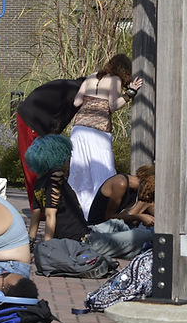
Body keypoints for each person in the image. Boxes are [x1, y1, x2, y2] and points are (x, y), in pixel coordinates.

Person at [26, 135, 153, 260]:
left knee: (117, 224)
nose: (69, 161)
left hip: (87, 231)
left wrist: (30, 243)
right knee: (147, 235)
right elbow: (50, 215)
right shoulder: (56, 178)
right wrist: (48, 248)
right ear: (59, 157)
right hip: (83, 242)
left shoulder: (40, 180)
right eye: (68, 157)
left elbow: (36, 214)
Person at [68, 55, 143, 218]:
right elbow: (113, 105)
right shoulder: (115, 79)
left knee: (79, 173)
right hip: (98, 131)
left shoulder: (90, 77)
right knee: (102, 171)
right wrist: (130, 93)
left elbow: (76, 103)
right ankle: (100, 215)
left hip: (79, 129)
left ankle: (76, 214)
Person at [15, 76, 86, 241]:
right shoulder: (75, 92)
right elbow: (50, 215)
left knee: (36, 178)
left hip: (33, 120)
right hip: (34, 122)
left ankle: (36, 224)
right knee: (35, 171)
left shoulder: (69, 86)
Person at [87, 164, 154, 225]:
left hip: (117, 226)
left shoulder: (137, 190)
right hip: (100, 226)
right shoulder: (120, 183)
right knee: (147, 235)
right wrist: (139, 217)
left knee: (147, 203)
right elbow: (109, 217)